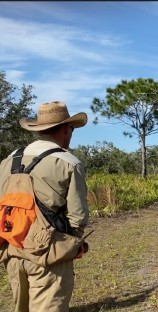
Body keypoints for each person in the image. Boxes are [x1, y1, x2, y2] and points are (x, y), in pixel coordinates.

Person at [0, 101, 90, 312]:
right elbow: (78, 216)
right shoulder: (69, 162)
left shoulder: (8, 161)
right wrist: (72, 243)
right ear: (66, 129)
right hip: (48, 255)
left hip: (12, 251)